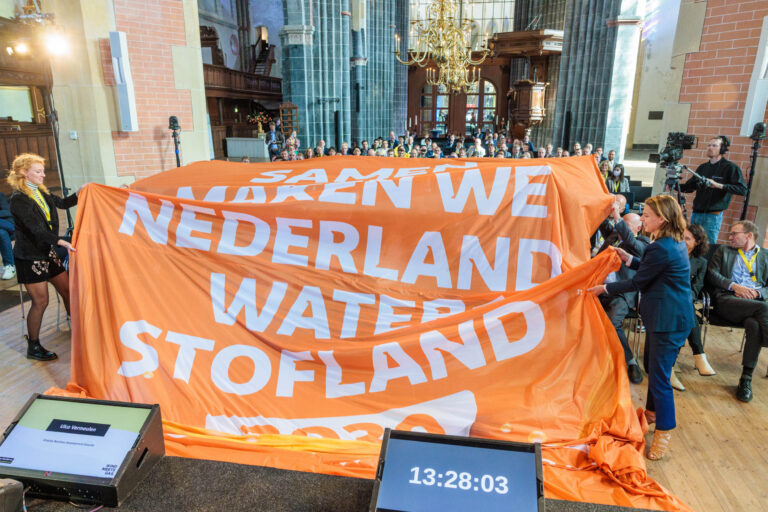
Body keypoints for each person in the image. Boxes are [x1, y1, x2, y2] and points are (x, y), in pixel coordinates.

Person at [588, 195, 695, 460]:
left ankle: (664, 433)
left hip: (667, 320)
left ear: (663, 218)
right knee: (654, 370)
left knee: (659, 379)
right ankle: (650, 417)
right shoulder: (670, 242)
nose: (643, 218)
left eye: (647, 215)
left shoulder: (663, 246)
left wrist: (605, 287)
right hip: (668, 318)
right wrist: (629, 259)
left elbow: (639, 282)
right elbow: (651, 268)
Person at [7, 153, 78, 361]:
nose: (43, 175)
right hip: (30, 258)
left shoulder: (42, 193)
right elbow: (36, 230)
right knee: (41, 302)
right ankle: (34, 346)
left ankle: (79, 331)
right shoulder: (19, 199)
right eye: (38, 171)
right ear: (24, 173)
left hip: (47, 252)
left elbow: (64, 203)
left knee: (67, 290)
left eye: (43, 171)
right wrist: (60, 240)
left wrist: (82, 193)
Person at [706, 220, 768, 402]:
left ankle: (745, 380)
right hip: (728, 300)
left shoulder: (765, 256)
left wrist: (758, 292)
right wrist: (734, 286)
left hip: (754, 303)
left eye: (734, 234)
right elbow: (712, 274)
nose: (729, 237)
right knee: (764, 308)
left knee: (754, 325)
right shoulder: (723, 251)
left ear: (749, 236)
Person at [596, 205, 650, 384]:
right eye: (621, 224)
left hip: (620, 292)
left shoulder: (642, 243)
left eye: (627, 225)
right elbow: (601, 221)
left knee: (612, 321)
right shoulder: (613, 236)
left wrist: (618, 218)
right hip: (598, 287)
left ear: (637, 228)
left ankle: (630, 361)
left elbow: (631, 241)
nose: (621, 228)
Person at [679, 136, 747, 244]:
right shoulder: (703, 167)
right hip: (696, 214)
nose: (710, 148)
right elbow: (689, 187)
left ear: (722, 149)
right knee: (690, 244)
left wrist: (719, 185)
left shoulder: (730, 168)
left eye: (714, 145)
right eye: (709, 145)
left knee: (708, 246)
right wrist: (674, 185)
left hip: (712, 216)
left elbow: (742, 190)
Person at [677, 224, 717, 382]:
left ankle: (671, 364)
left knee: (686, 310)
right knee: (688, 313)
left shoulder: (700, 262)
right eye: (682, 237)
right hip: (668, 296)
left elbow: (697, 286)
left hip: (685, 298)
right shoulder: (672, 253)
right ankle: (699, 355)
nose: (683, 241)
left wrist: (687, 299)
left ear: (697, 242)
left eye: (687, 239)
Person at [0, 192, 15, 279]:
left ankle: (10, 265)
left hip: (7, 225)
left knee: (1, 233)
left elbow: (7, 211)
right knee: (1, 232)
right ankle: (9, 265)